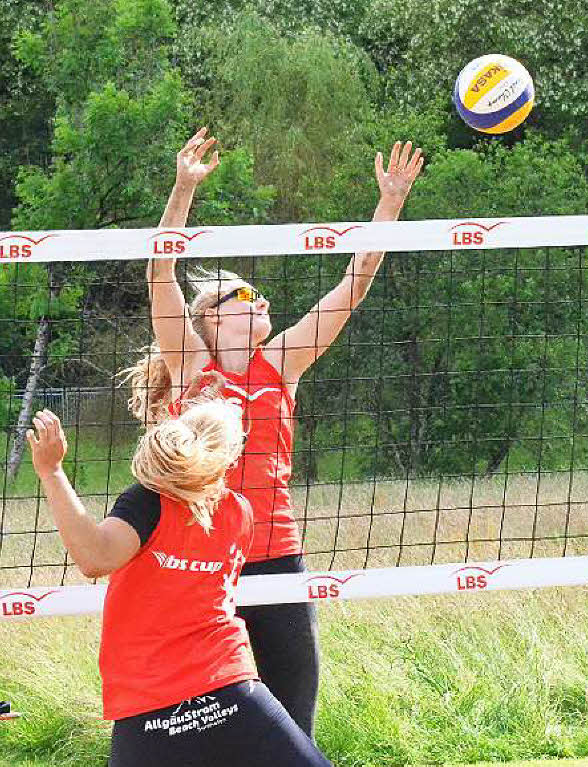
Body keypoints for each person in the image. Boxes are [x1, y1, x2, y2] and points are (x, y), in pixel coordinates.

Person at [123, 128, 424, 736]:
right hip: (202, 558)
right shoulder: (190, 364)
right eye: (244, 294)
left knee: (293, 713)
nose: (261, 301)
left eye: (262, 296)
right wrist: (183, 188)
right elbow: (161, 270)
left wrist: (389, 204)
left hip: (276, 556)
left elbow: (354, 282)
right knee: (197, 719)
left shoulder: (281, 363)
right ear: (209, 317)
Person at [27, 402, 332, 766]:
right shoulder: (239, 512)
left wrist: (51, 470)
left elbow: (95, 558)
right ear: (231, 458)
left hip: (152, 701)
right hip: (231, 691)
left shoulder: (147, 503)